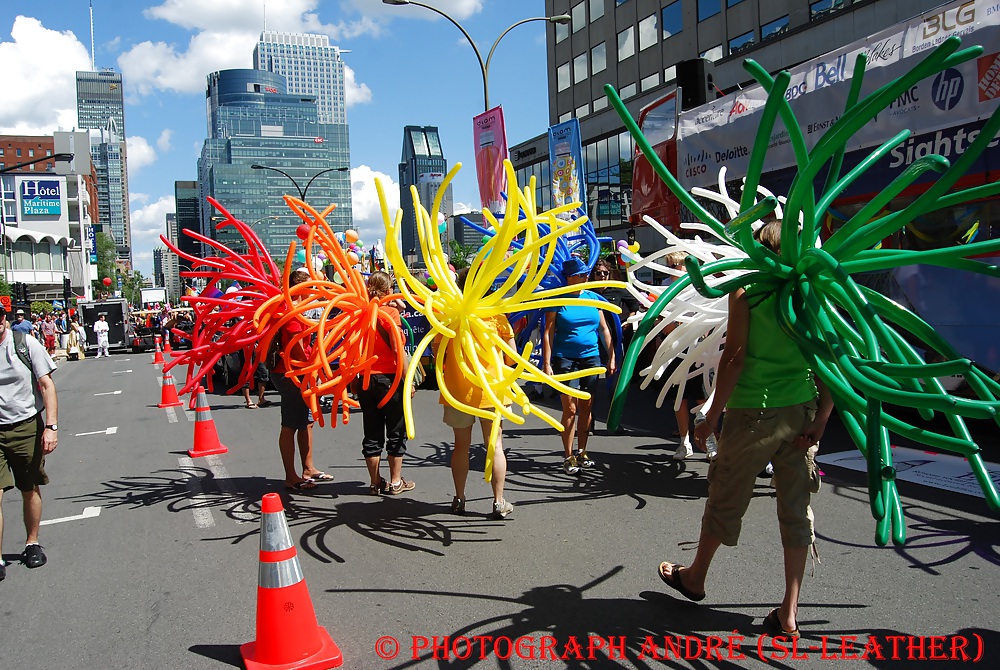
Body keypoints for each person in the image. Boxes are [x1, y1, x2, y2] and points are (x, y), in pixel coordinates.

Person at [657, 220, 834, 639]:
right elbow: (829, 356)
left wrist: (711, 412)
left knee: (726, 494)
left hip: (752, 412)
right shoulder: (812, 293)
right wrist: (823, 416)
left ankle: (696, 576)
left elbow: (734, 358)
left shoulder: (747, 291)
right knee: (795, 508)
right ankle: (789, 610)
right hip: (800, 412)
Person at [441, 267, 515, 520]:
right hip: (493, 391)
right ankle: (498, 501)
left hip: (458, 391)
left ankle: (459, 498)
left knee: (461, 446)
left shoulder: (448, 315)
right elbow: (512, 358)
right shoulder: (496, 315)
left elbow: (438, 353)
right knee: (495, 446)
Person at [0, 303, 59, 581]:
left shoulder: (25, 344)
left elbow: (47, 386)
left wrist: (51, 427)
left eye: (0, 316)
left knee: (28, 487)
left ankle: (31, 543)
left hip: (25, 426)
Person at [542, 257, 616, 475]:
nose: (586, 277)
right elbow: (548, 332)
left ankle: (582, 451)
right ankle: (568, 456)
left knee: (587, 405)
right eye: (581, 274)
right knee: (570, 408)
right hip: (565, 357)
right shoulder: (557, 299)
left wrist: (611, 356)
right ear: (569, 278)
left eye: (586, 274)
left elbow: (604, 329)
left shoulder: (594, 298)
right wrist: (546, 363)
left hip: (591, 357)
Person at [269, 269, 332, 491]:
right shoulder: (291, 312)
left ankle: (308, 468)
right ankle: (291, 476)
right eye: (311, 286)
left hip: (299, 372)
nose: (314, 290)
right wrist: (312, 367)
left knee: (306, 421)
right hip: (290, 374)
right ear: (300, 288)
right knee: (290, 425)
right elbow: (296, 350)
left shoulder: (298, 309)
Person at [357, 271, 414, 496]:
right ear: (389, 290)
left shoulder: (359, 312)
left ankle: (375, 482)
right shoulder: (390, 313)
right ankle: (396, 481)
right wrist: (408, 380)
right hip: (389, 378)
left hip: (365, 379)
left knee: (371, 433)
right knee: (396, 430)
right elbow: (398, 351)